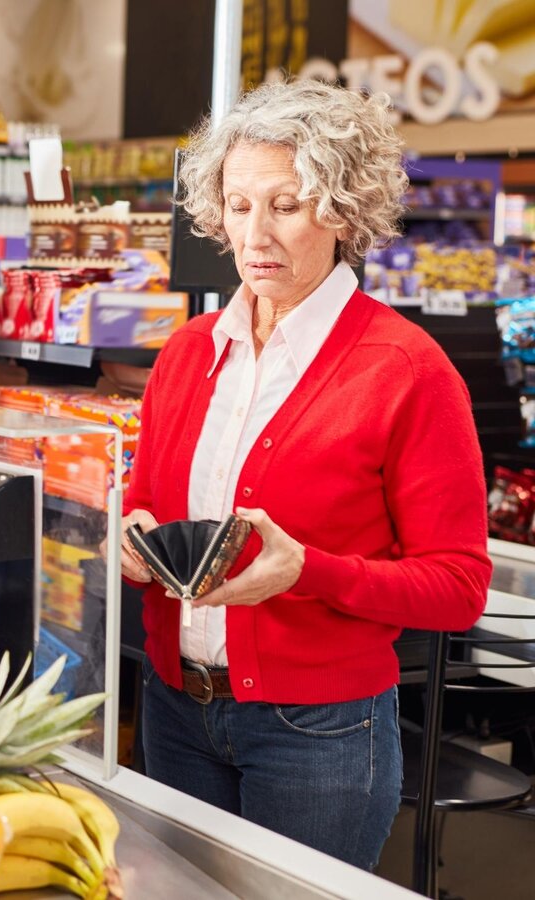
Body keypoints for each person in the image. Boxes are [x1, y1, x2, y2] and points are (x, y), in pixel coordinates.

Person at [121, 79, 490, 870]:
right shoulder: (188, 354)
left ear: (345, 210)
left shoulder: (408, 370)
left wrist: (307, 573)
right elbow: (148, 501)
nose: (255, 233)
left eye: (286, 205)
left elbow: (458, 585)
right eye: (238, 204)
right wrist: (131, 535)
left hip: (319, 733)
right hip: (174, 709)